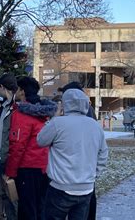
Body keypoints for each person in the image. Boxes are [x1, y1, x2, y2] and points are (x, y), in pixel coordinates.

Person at [37, 89, 108, 220]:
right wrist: (94, 174)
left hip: (60, 186)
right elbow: (103, 153)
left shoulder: (58, 124)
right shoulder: (95, 126)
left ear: (64, 104)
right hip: (86, 188)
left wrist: (55, 116)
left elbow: (41, 140)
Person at [5, 76, 57, 220]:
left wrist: (10, 172)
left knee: (27, 209)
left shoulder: (21, 114)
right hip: (46, 167)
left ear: (22, 91)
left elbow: (17, 146)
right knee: (42, 207)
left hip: (27, 168)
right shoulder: (47, 114)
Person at [57, 81, 98, 220]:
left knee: (85, 201)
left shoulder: (83, 112)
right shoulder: (86, 110)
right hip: (86, 166)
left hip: (80, 166)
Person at [0, 73, 19, 220]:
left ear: (3, 87)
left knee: (12, 196)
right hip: (2, 156)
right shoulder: (3, 107)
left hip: (11, 157)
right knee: (1, 192)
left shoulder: (16, 107)